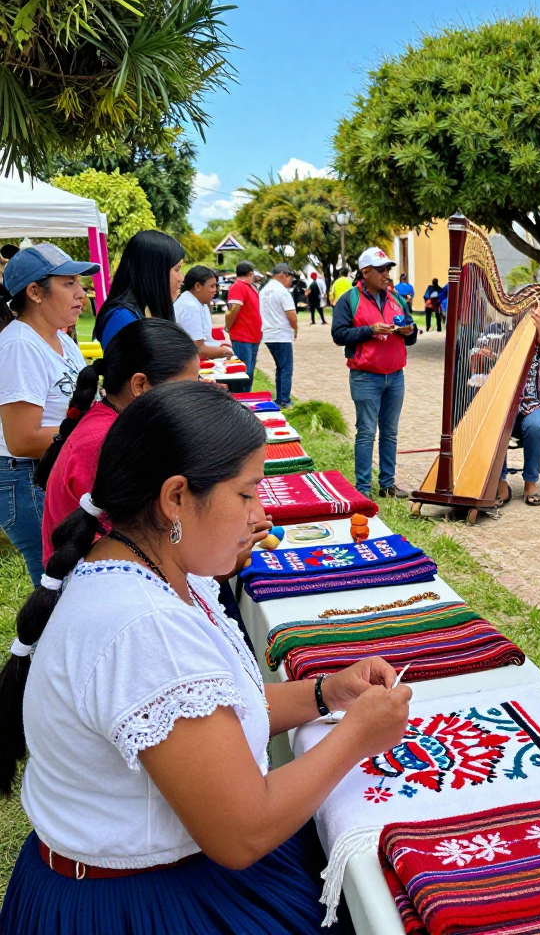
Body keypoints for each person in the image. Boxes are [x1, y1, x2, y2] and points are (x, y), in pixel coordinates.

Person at [0, 382, 411, 935]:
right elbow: (242, 833)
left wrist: (325, 694)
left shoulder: (149, 570)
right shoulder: (144, 628)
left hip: (149, 878)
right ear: (174, 498)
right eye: (245, 495)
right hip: (140, 905)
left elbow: (212, 715)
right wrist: (357, 736)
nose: (257, 514)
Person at [38, 318, 201, 562]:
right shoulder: (103, 443)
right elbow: (131, 544)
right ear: (140, 385)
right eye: (184, 388)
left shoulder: (117, 422)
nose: (191, 398)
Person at [0, 244, 99, 585]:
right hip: (28, 479)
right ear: (34, 292)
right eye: (69, 282)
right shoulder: (19, 346)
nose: (81, 292)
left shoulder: (62, 339)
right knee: (57, 585)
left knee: (70, 581)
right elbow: (22, 439)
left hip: (53, 468)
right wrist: (93, 431)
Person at [332, 247, 417, 498]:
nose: (386, 275)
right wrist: (370, 329)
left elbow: (411, 337)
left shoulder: (397, 300)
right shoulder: (349, 300)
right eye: (381, 270)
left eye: (388, 269)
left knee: (390, 432)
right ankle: (363, 489)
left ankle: (388, 485)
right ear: (365, 272)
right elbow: (338, 335)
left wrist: (408, 332)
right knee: (367, 432)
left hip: (395, 375)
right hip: (366, 376)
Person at [496, 302, 540, 507]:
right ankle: (500, 481)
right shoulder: (502, 339)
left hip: (539, 404)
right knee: (497, 421)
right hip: (508, 407)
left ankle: (530, 482)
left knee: (535, 425)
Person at [93, 231, 185, 349]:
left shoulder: (149, 309)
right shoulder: (122, 318)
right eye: (177, 270)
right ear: (154, 272)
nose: (181, 278)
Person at [260, 264, 299, 409]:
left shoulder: (265, 290)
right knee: (286, 368)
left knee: (280, 367)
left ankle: (280, 397)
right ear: (284, 275)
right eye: (291, 278)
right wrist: (295, 329)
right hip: (281, 334)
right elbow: (291, 314)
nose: (291, 282)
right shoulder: (282, 291)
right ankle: (284, 400)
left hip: (268, 333)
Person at [174, 265, 233, 359]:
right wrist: (223, 351)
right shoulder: (190, 306)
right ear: (197, 286)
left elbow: (205, 339)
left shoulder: (201, 303)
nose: (215, 291)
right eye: (212, 286)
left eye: (216, 286)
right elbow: (198, 350)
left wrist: (219, 344)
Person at [225, 261, 263, 392]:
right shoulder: (238, 286)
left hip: (252, 336)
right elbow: (233, 309)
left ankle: (246, 397)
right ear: (250, 273)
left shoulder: (248, 287)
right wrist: (228, 327)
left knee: (249, 372)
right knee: (242, 373)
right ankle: (241, 400)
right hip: (243, 336)